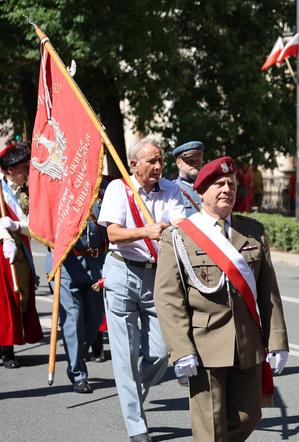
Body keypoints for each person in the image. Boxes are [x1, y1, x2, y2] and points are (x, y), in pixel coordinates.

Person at [155, 156, 289, 441]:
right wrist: (181, 349)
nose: (226, 189)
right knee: (210, 428)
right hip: (205, 346)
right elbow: (168, 298)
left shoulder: (252, 232)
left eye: (231, 183)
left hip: (248, 343)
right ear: (202, 191)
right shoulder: (179, 237)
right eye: (218, 184)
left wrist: (277, 340)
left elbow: (269, 292)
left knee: (250, 415)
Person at [98, 137, 186, 442]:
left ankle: (130, 397)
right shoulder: (118, 189)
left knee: (162, 352)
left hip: (157, 276)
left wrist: (168, 231)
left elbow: (179, 226)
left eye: (160, 160)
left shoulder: (171, 190)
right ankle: (136, 425)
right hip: (122, 270)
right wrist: (145, 231)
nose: (159, 166)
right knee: (125, 355)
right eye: (151, 161)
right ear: (134, 164)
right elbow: (112, 232)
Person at [46, 190, 108, 394]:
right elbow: (42, 225)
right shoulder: (57, 190)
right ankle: (78, 374)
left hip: (97, 264)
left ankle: (77, 355)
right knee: (72, 319)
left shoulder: (104, 187)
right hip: (67, 264)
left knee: (94, 319)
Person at [0, 142, 43, 368]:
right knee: (5, 300)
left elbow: (35, 225)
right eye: (22, 168)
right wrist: (4, 236)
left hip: (22, 249)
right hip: (3, 251)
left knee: (21, 296)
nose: (26, 171)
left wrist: (16, 226)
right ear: (8, 170)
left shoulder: (27, 191)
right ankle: (6, 349)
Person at [173, 141, 204, 217]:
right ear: (178, 163)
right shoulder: (172, 190)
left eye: (197, 160)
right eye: (190, 161)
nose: (195, 164)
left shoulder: (210, 186)